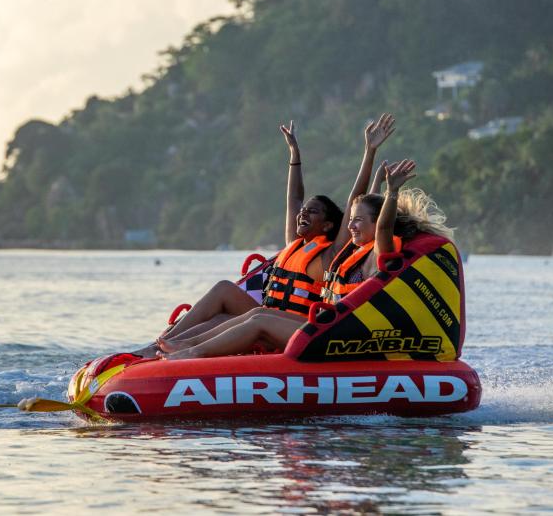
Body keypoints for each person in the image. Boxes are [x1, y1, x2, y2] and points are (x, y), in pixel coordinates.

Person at [136, 113, 395, 359]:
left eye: (312, 212)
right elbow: (294, 198)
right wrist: (294, 155)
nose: (302, 214)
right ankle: (161, 345)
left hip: (293, 326)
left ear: (328, 225)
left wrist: (369, 152)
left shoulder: (330, 252)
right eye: (303, 211)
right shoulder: (295, 244)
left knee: (252, 315)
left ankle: (185, 352)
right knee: (222, 305)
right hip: (270, 315)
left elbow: (354, 202)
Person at [161, 158, 452, 360]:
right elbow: (353, 201)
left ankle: (192, 353)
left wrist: (391, 192)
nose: (351, 226)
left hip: (337, 335)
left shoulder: (380, 253)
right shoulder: (351, 249)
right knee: (257, 314)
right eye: (350, 220)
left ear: (376, 226)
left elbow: (383, 223)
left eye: (358, 222)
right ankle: (186, 344)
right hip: (327, 326)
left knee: (258, 321)